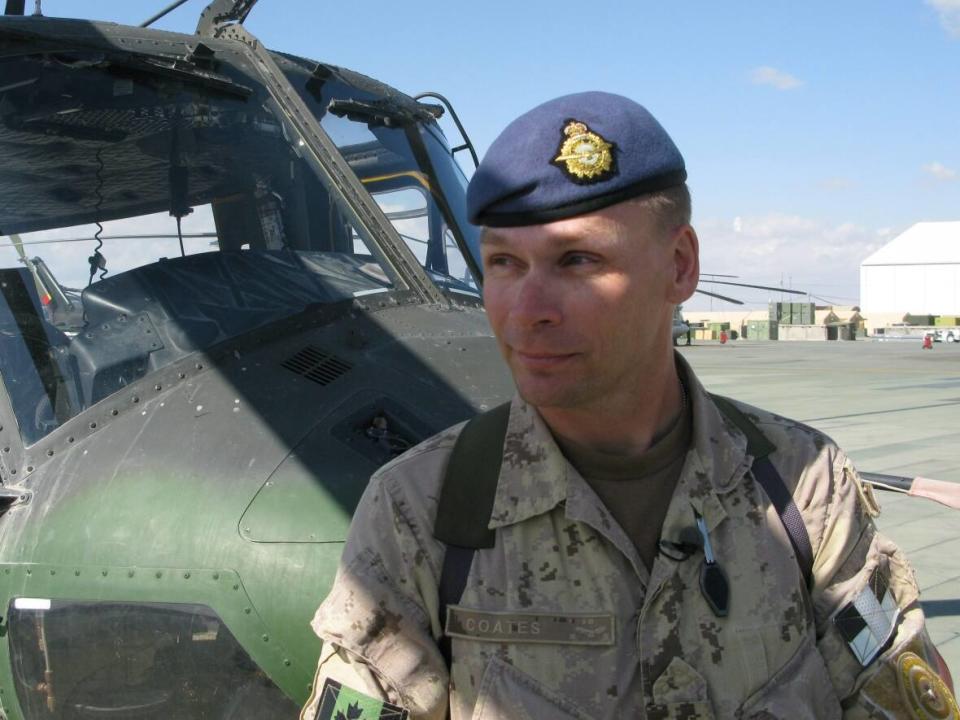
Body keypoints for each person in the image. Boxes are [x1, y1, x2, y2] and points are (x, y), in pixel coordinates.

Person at [300, 92, 955, 720]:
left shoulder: (803, 486)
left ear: (679, 265)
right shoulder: (421, 510)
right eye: (502, 263)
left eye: (577, 259)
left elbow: (892, 695)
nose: (526, 313)